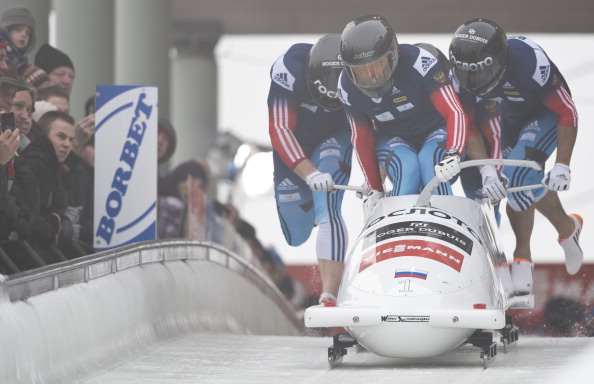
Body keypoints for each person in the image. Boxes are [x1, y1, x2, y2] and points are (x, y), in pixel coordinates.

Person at [449, 18, 583, 295]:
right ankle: (568, 227)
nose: (472, 81)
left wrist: (562, 165)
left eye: (478, 73)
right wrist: (486, 169)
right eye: (466, 74)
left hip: (545, 114)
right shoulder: (459, 76)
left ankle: (523, 257)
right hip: (509, 117)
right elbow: (468, 123)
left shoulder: (529, 62)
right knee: (518, 182)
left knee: (515, 176)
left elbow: (566, 111)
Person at [337, 15, 468, 222]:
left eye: (378, 67)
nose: (372, 79)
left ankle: (445, 223)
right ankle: (394, 227)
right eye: (362, 72)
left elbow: (454, 112)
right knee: (407, 169)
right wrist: (375, 188)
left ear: (393, 54)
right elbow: (362, 137)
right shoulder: (346, 87)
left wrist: (453, 152)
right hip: (393, 137)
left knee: (429, 162)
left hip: (436, 131)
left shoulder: (420, 62)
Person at [267, 34, 352, 306]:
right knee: (296, 235)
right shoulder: (288, 69)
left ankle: (329, 295)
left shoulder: (357, 73)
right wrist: (309, 173)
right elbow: (279, 128)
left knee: (328, 204)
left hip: (335, 136)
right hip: (295, 143)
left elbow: (369, 128)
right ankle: (309, 210)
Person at [0, 6, 36, 72]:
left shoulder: (21, 61)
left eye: (28, 33)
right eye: (18, 30)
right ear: (7, 31)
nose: (24, 35)